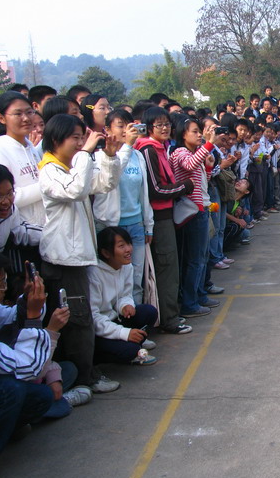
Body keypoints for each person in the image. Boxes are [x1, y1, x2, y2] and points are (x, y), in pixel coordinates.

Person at [0, 247, 68, 478]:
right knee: (7, 390)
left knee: (41, 397)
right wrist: (41, 323)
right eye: (0, 285)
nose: (4, 290)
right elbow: (28, 368)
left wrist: (28, 299)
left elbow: (9, 315)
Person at [38, 113, 123, 392]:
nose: (79, 143)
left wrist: (109, 156)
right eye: (74, 138)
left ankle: (82, 376)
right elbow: (75, 190)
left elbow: (104, 184)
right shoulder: (50, 171)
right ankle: (84, 379)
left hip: (76, 257)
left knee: (80, 318)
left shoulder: (70, 167)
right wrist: (86, 153)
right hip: (63, 259)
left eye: (81, 138)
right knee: (78, 321)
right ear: (55, 140)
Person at [136, 107, 194, 334]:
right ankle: (169, 319)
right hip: (158, 218)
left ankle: (169, 314)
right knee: (166, 267)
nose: (164, 128)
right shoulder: (149, 150)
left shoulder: (161, 148)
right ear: (148, 127)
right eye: (159, 125)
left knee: (170, 266)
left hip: (166, 215)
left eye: (167, 124)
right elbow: (156, 189)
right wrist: (185, 187)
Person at [92, 109, 150, 304]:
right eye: (120, 126)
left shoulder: (137, 155)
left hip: (136, 223)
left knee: (136, 277)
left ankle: (136, 317)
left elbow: (144, 192)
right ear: (107, 130)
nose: (126, 130)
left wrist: (148, 224)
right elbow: (114, 175)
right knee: (112, 280)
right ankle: (116, 320)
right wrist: (127, 146)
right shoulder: (100, 156)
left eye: (129, 126)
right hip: (111, 225)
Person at [89, 227, 159, 366]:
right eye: (121, 246)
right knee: (130, 350)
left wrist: (125, 305)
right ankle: (100, 357)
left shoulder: (126, 266)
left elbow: (125, 294)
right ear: (106, 253)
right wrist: (124, 333)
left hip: (116, 319)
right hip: (99, 330)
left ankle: (133, 342)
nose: (128, 249)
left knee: (149, 312)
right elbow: (94, 317)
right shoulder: (94, 274)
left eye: (128, 244)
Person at [169, 117, 217, 318]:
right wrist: (209, 143)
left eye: (200, 131)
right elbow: (189, 166)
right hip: (193, 213)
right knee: (194, 260)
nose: (199, 135)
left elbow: (202, 182)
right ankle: (190, 303)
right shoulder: (180, 153)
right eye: (195, 131)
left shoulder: (194, 153)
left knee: (201, 258)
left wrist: (208, 167)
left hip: (201, 209)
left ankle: (199, 295)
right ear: (183, 134)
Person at [0, 92, 46, 226]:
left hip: (43, 228)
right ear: (2, 118)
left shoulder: (31, 148)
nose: (26, 118)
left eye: (29, 112)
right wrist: (47, 186)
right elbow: (0, 199)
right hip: (18, 229)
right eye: (18, 114)